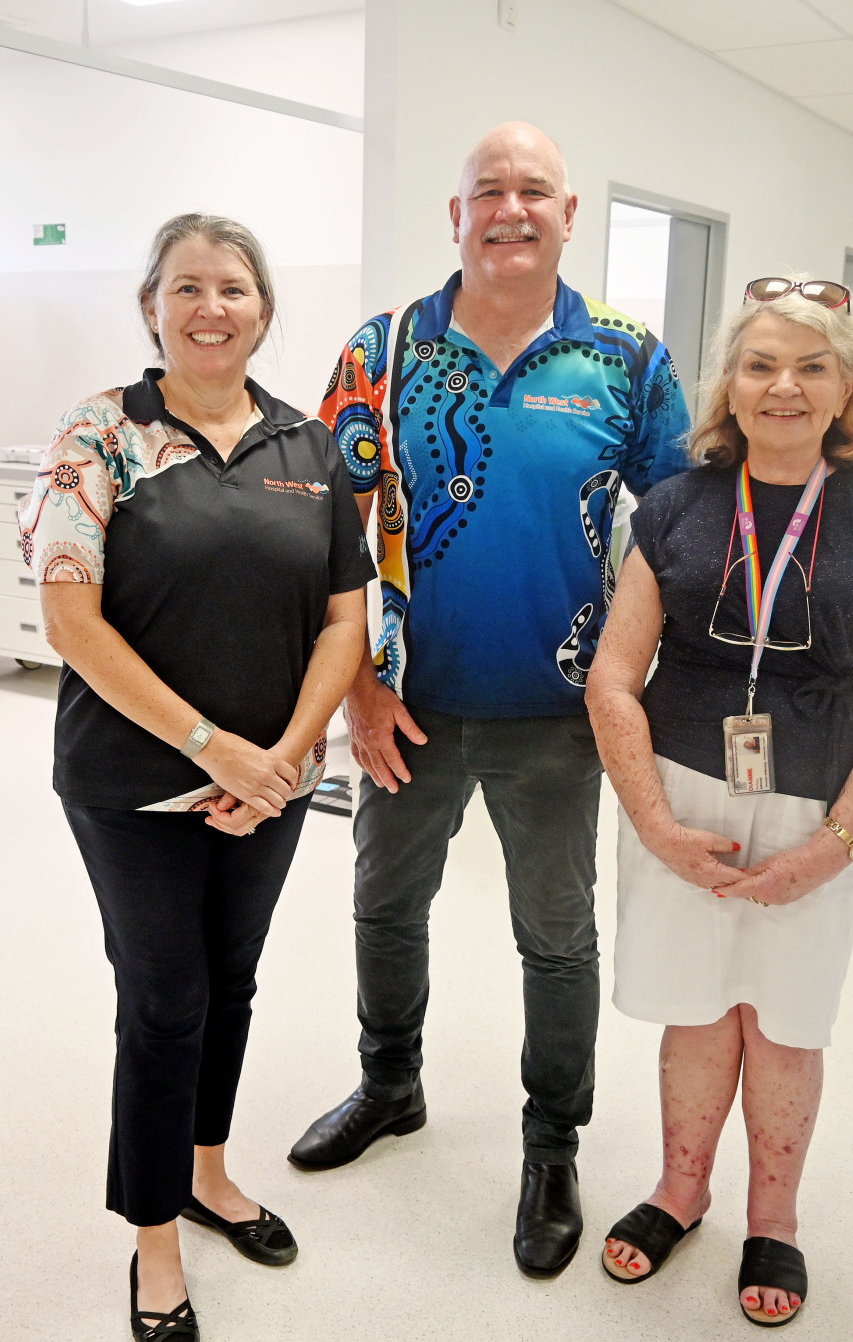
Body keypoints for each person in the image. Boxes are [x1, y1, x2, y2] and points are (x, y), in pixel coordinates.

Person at [293, 122, 691, 1278]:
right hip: (406, 703)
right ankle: (388, 1084)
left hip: (557, 713)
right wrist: (358, 681)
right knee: (383, 904)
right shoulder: (384, 347)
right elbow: (326, 528)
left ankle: (551, 1143)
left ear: (569, 214)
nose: (509, 209)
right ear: (454, 216)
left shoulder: (625, 357)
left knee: (555, 940)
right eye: (487, 191)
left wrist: (626, 686)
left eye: (533, 191)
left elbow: (675, 534)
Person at [23, 213, 375, 1342]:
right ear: (150, 307)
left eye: (232, 287)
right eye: (186, 287)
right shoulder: (102, 435)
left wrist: (279, 755)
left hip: (271, 782)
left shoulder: (307, 447)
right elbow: (69, 619)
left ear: (263, 309)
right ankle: (154, 1235)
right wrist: (210, 745)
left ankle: (211, 1174)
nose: (210, 306)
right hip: (132, 781)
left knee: (230, 981)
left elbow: (342, 617)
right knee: (164, 999)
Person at [585, 277, 853, 1324]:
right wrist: (652, 822)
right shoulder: (674, 507)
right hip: (681, 799)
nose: (782, 385)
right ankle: (679, 1189)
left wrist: (833, 845)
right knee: (695, 1013)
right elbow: (613, 677)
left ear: (845, 389)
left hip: (815, 811)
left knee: (782, 1025)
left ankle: (772, 1218)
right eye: (758, 364)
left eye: (810, 365)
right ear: (727, 388)